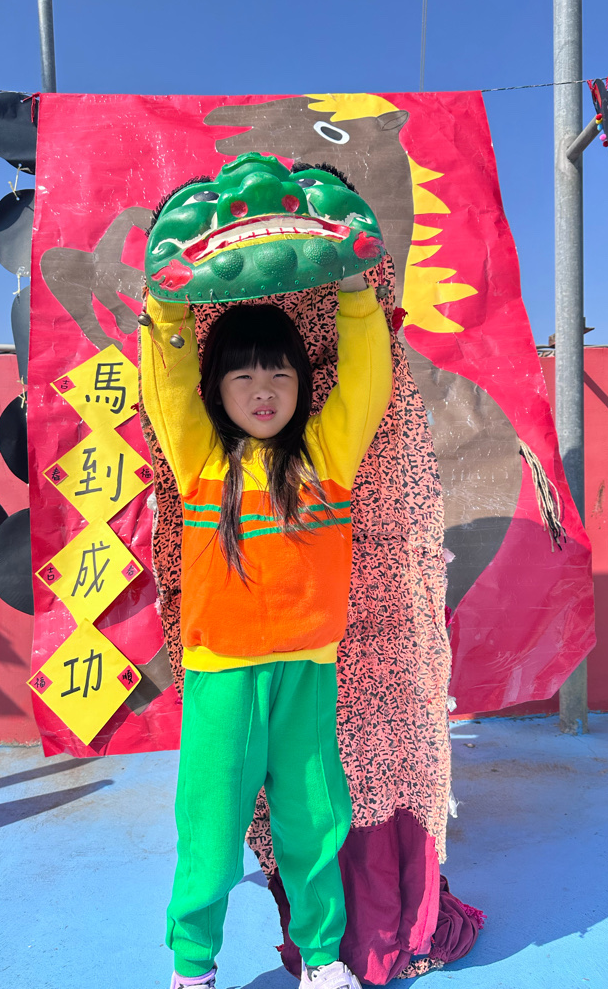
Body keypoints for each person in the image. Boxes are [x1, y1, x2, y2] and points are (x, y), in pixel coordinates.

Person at [139, 271, 393, 989]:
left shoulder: (326, 454)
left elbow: (366, 382)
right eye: (243, 375)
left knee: (314, 819)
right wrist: (166, 306)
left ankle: (322, 957)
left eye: (279, 373)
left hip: (309, 671)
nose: (263, 391)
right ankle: (193, 967)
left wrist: (357, 297)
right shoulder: (200, 458)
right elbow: (166, 383)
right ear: (215, 389)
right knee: (212, 827)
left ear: (302, 383)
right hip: (222, 675)